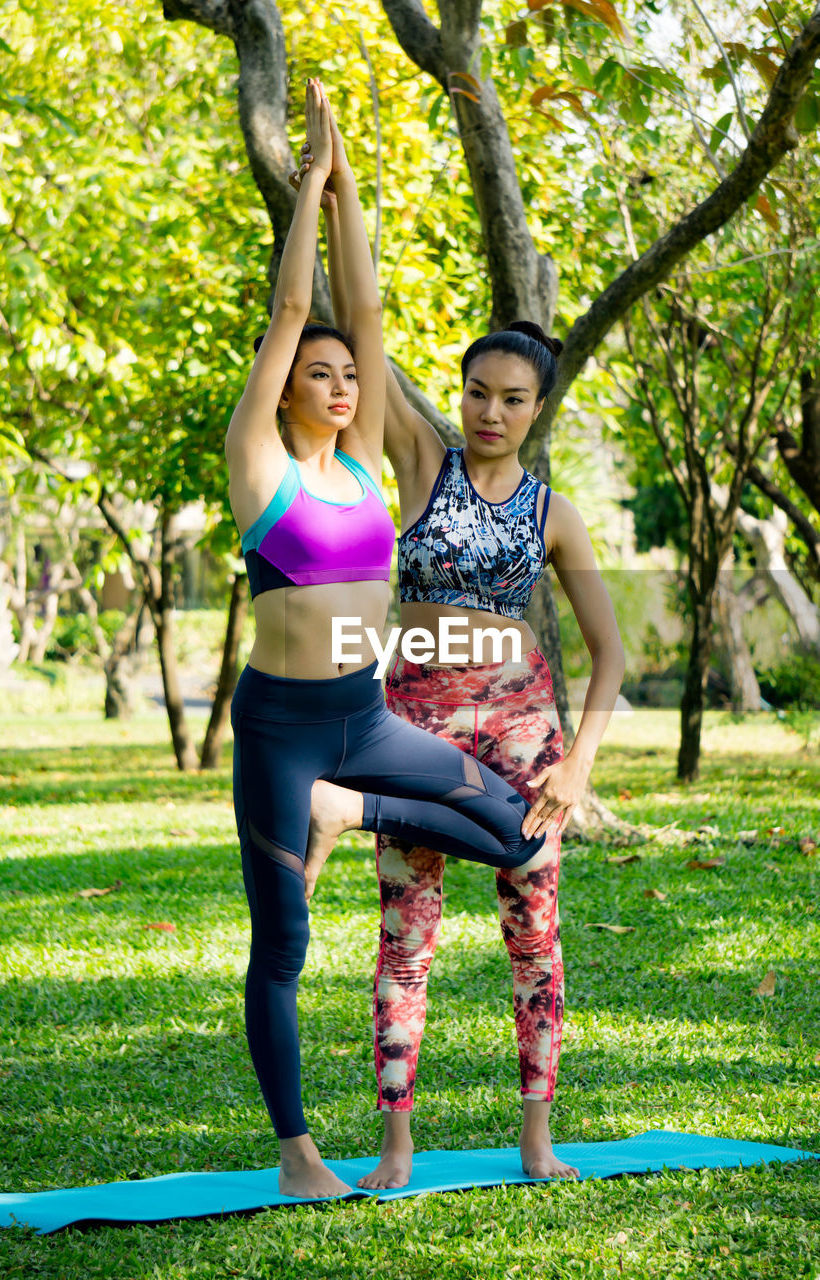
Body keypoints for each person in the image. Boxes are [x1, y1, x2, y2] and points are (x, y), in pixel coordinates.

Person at [226, 80, 555, 1201]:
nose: (339, 379)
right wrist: (305, 192)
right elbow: (295, 320)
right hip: (278, 724)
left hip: (363, 720)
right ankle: (297, 1150)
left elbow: (362, 317)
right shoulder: (261, 466)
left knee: (514, 829)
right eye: (318, 374)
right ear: (285, 394)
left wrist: (351, 181)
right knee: (284, 943)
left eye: (347, 374)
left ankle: (349, 807)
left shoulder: (367, 461)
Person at [294, 120, 625, 1191]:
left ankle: (536, 1138)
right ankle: (395, 1145)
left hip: (522, 730)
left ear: (537, 408)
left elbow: (610, 656)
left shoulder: (556, 514)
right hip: (416, 721)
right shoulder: (421, 458)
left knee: (534, 930)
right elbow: (367, 316)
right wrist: (339, 194)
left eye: (510, 397)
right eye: (477, 390)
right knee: (407, 931)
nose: (488, 410)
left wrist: (576, 762)